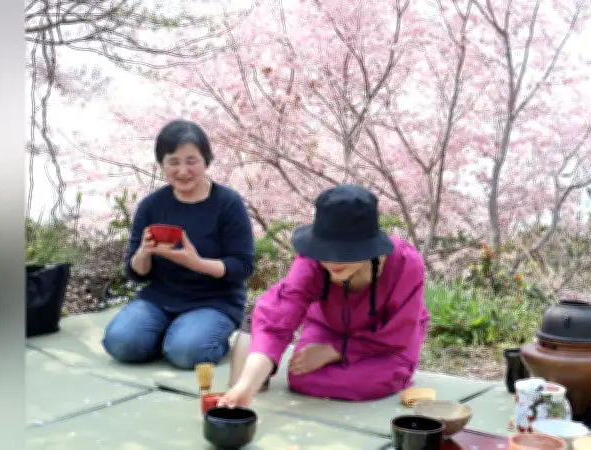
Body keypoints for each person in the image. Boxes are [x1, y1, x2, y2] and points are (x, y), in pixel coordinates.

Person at [219, 184, 430, 407]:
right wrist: (246, 385)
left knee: (370, 381)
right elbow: (278, 317)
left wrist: (335, 351)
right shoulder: (311, 261)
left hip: (386, 342)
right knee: (302, 378)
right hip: (329, 327)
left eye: (345, 252)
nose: (331, 260)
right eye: (325, 250)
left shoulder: (406, 264)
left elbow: (400, 331)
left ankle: (390, 373)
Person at [101, 119, 255, 370]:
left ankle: (198, 339)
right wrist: (144, 253)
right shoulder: (152, 206)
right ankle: (168, 336)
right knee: (120, 343)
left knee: (186, 352)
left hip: (214, 301)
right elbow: (136, 273)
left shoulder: (228, 203)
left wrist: (197, 263)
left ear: (206, 161)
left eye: (191, 161)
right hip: (159, 299)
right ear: (162, 164)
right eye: (173, 162)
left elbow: (243, 266)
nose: (183, 171)